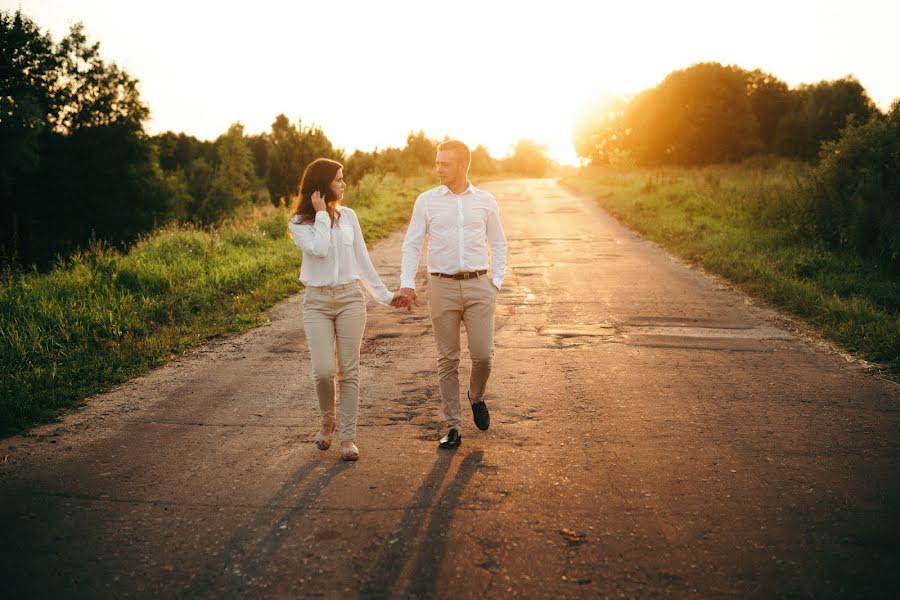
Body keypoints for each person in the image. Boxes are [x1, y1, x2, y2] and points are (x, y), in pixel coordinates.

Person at [392, 140, 508, 449]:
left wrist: (494, 281)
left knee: (483, 355)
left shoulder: (485, 200)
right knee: (447, 359)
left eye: (444, 163)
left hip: (479, 286)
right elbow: (412, 243)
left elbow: (499, 243)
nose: (438, 168)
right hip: (441, 287)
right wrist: (407, 282)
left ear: (462, 166)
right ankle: (453, 425)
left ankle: (477, 396)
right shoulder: (427, 201)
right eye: (437, 162)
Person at [289, 158, 397, 461]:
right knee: (323, 371)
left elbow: (362, 261)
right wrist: (322, 214)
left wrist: (386, 296)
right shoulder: (298, 222)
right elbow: (319, 249)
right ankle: (327, 420)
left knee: (348, 371)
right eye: (338, 179)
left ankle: (347, 437)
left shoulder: (349, 217)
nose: (343, 184)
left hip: (350, 299)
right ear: (321, 187)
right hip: (317, 302)